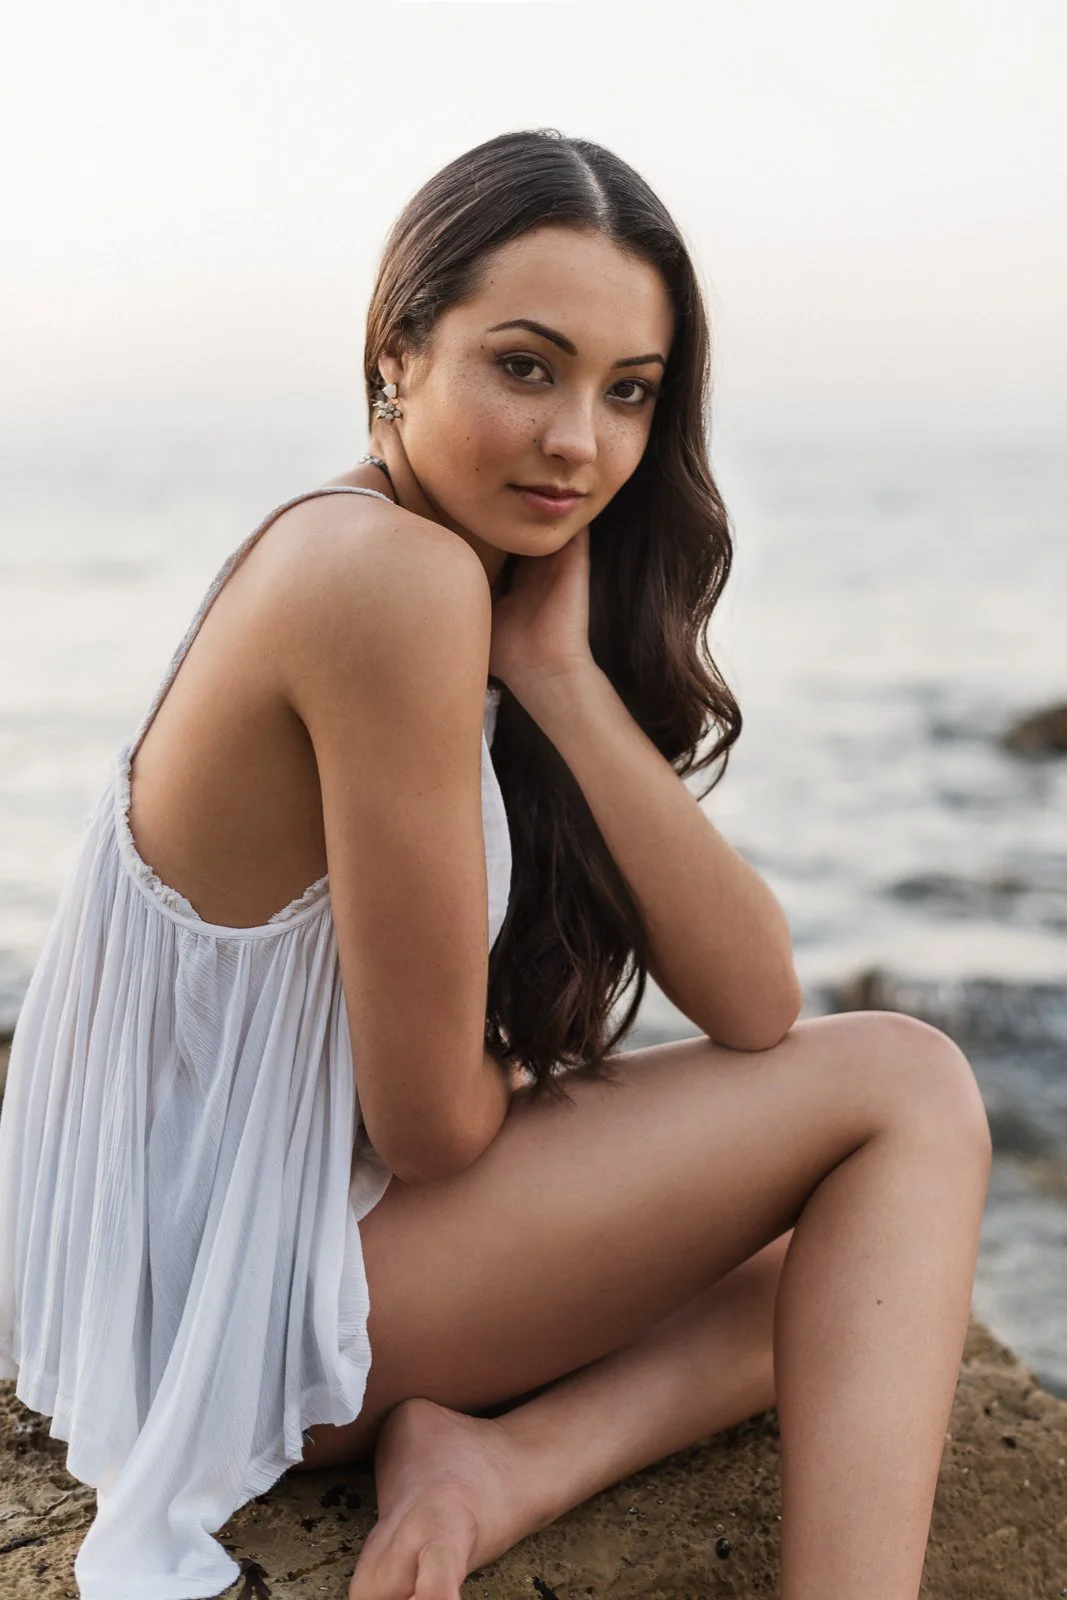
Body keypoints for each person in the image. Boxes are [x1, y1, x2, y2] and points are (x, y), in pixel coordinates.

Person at [0, 127, 991, 1600]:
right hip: (235, 1311)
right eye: (525, 366)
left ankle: (504, 1461)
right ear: (396, 351)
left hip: (169, 1271)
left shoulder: (391, 558)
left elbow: (752, 998)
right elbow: (436, 1134)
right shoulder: (390, 580)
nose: (579, 443)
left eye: (627, 391)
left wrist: (564, 681)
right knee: (910, 1089)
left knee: (853, 1273)